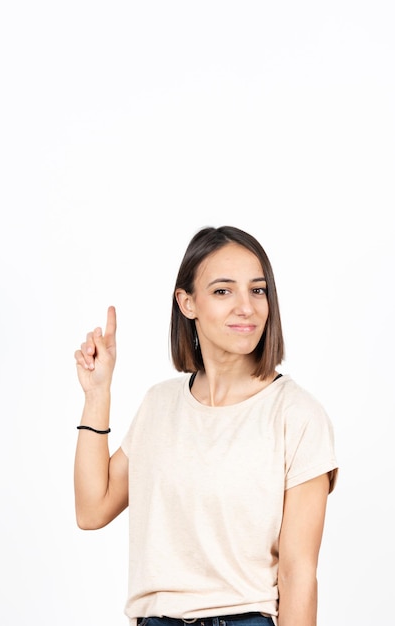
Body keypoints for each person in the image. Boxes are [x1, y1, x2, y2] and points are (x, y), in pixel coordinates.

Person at [74, 225, 338, 626]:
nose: (246, 306)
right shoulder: (159, 404)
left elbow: (298, 575)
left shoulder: (296, 414)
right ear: (187, 302)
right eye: (222, 291)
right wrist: (97, 396)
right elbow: (92, 509)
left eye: (258, 290)